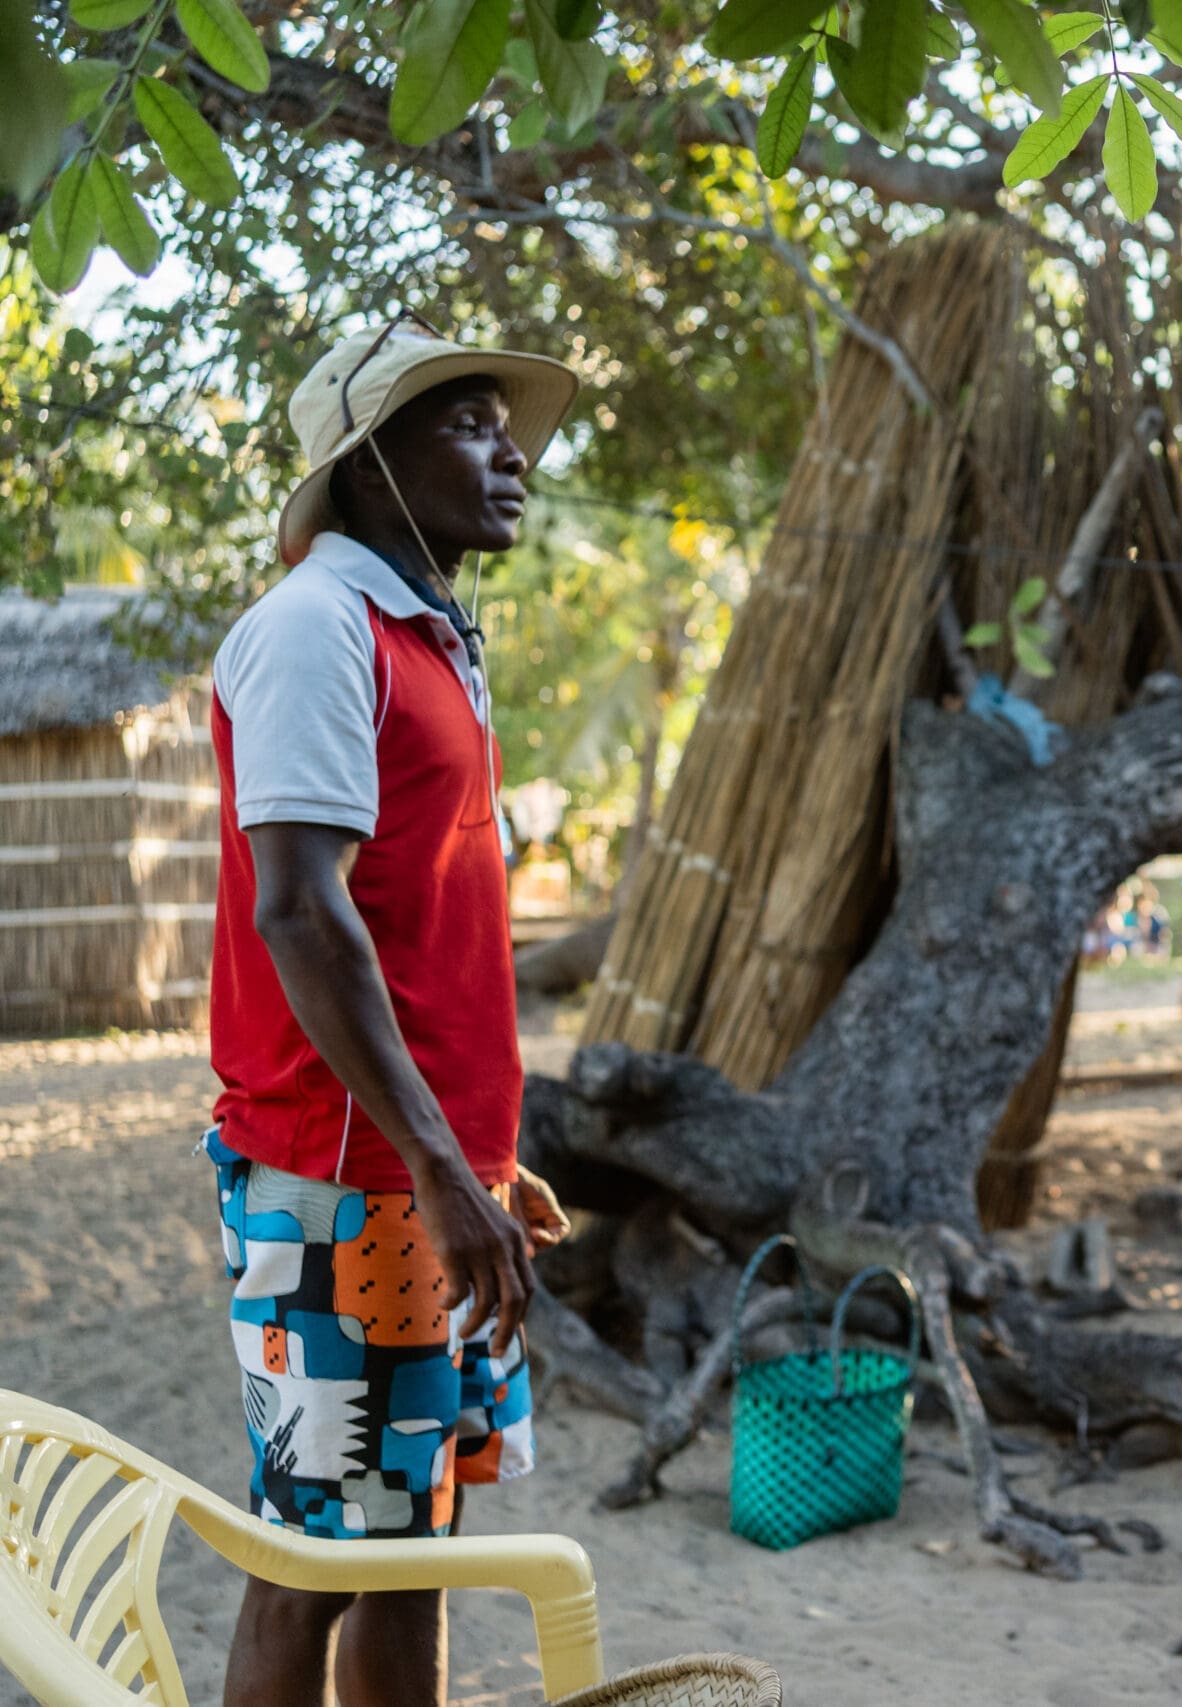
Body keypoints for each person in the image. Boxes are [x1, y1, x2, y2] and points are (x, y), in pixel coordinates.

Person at [205, 315, 581, 1707]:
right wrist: (435, 1162)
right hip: (344, 1178)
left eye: (507, 427)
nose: (511, 455)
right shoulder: (314, 627)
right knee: (313, 1558)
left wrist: (479, 1154)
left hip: (422, 1172)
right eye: (469, 426)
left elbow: (422, 924)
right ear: (367, 463)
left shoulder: (423, 634)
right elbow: (302, 914)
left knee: (410, 1544)